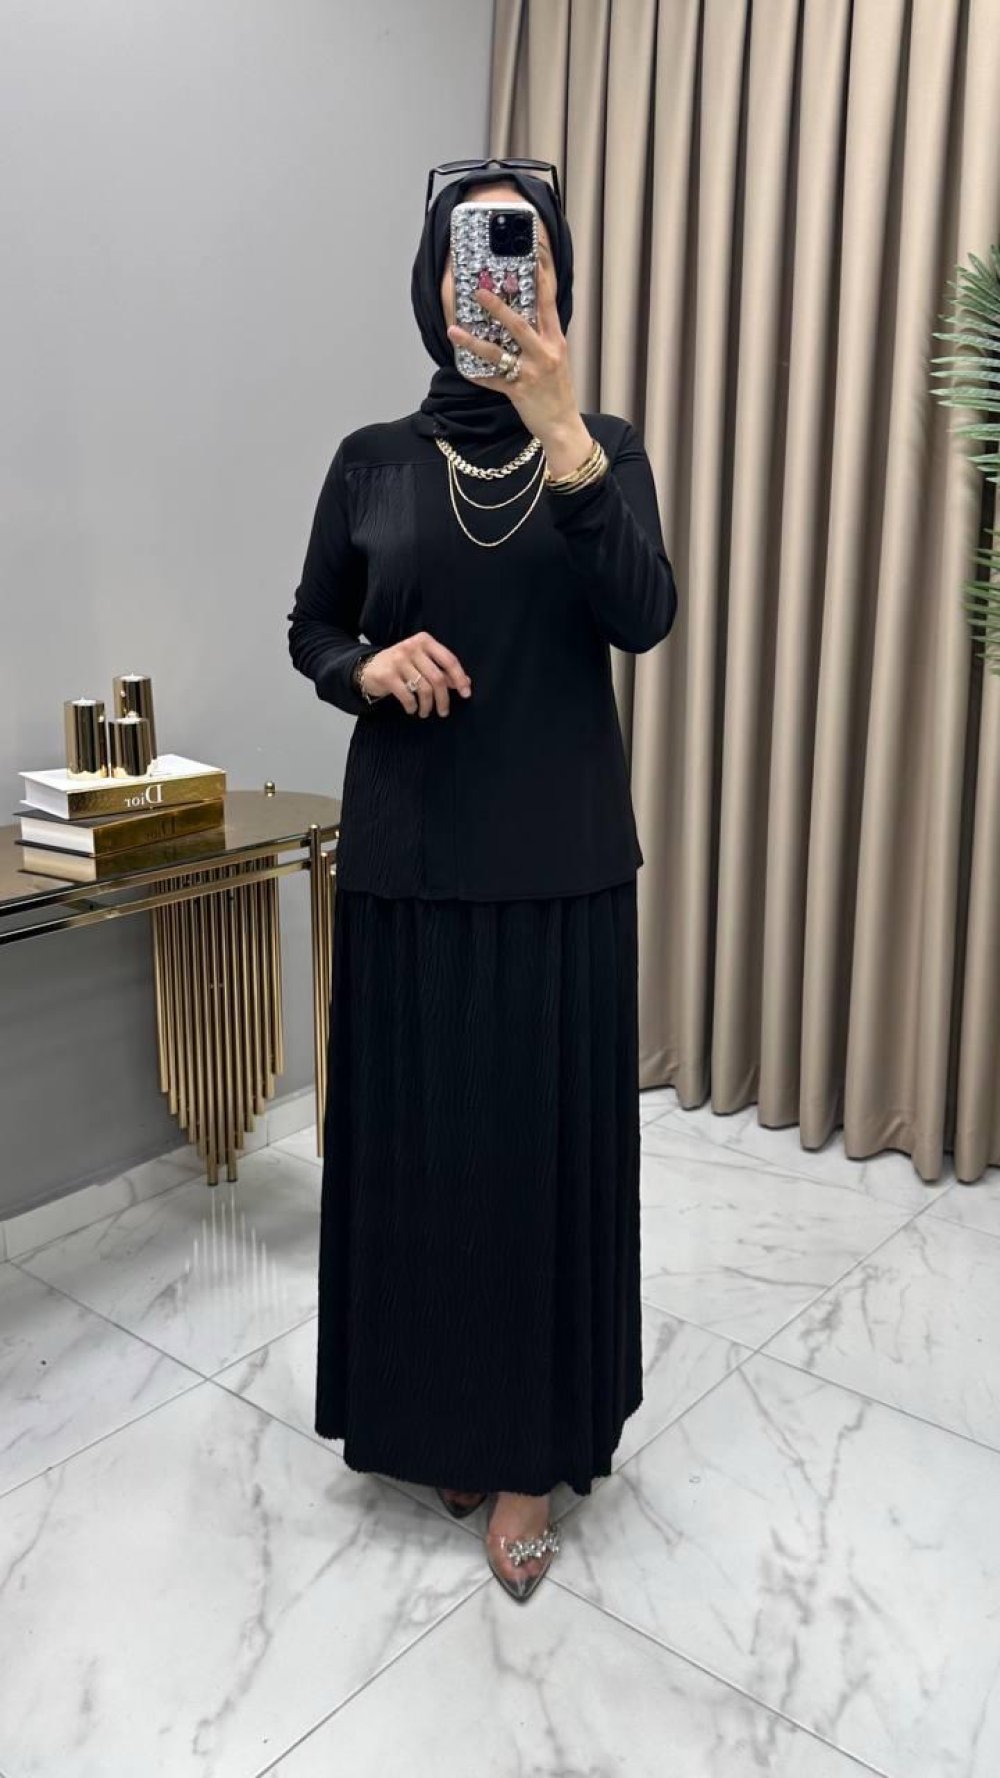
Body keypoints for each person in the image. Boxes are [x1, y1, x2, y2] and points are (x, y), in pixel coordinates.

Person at [286, 159, 677, 1602]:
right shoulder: (370, 462)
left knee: (535, 1174)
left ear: (555, 282)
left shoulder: (603, 449)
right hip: (409, 867)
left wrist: (562, 426)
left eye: (523, 256)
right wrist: (364, 666)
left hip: (558, 873)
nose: (498, 282)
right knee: (429, 1164)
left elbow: (644, 613)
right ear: (434, 283)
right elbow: (312, 627)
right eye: (474, 255)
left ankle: (529, 1454)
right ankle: (446, 1415)